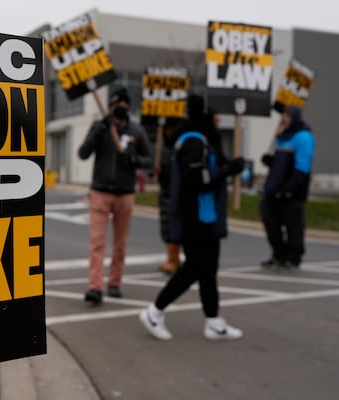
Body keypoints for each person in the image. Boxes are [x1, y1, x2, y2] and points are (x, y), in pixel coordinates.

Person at [139, 95, 246, 340]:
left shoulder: (201, 139)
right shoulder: (193, 141)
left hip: (206, 216)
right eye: (215, 114)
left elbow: (207, 171)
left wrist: (231, 166)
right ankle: (154, 312)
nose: (219, 119)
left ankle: (214, 321)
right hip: (195, 216)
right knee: (195, 268)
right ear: (205, 115)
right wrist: (227, 170)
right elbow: (195, 179)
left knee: (208, 269)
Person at [78, 87, 154, 305]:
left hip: (124, 193)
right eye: (114, 105)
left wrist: (134, 160)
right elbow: (83, 154)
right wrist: (97, 131)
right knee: (97, 243)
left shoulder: (136, 131)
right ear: (110, 107)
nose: (118, 109)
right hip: (100, 191)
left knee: (120, 244)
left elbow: (149, 160)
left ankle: (114, 282)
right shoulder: (100, 127)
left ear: (128, 107)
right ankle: (94, 286)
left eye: (122, 105)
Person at [260, 105, 315, 268]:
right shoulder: (282, 136)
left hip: (292, 192)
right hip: (274, 189)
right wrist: (269, 161)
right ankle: (279, 254)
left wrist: (288, 190)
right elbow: (280, 164)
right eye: (283, 115)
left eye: (287, 116)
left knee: (293, 226)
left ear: (295, 118)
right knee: (270, 220)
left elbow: (301, 168)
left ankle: (293, 256)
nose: (283, 119)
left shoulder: (304, 137)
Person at [153, 118, 182, 274]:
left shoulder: (181, 147)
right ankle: (172, 258)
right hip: (166, 192)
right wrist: (156, 170)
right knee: (167, 226)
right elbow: (153, 167)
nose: (168, 132)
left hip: (178, 191)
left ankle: (175, 258)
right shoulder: (161, 148)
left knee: (177, 226)